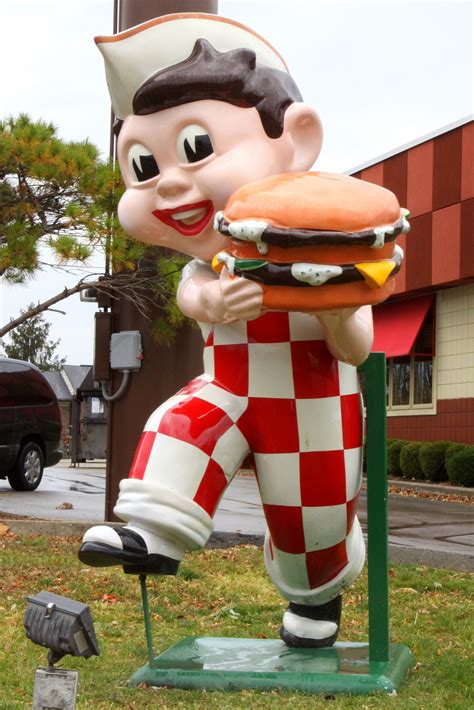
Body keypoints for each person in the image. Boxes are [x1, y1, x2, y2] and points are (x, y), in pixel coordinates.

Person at [79, 13, 373, 649]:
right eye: (141, 165)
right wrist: (215, 297)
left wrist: (332, 313)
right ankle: (150, 535)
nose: (170, 184)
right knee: (179, 426)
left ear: (295, 139)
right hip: (229, 389)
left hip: (315, 404)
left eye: (193, 149)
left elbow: (358, 346)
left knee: (312, 519)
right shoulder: (207, 261)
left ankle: (315, 598)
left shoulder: (331, 246)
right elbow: (194, 294)